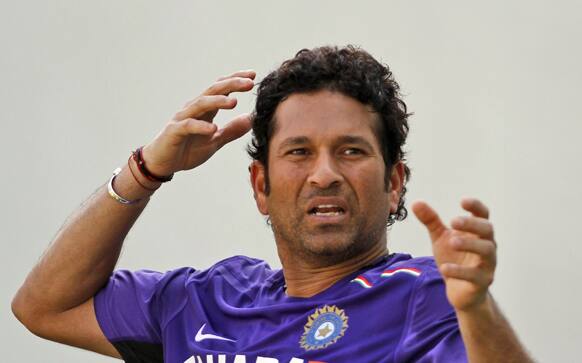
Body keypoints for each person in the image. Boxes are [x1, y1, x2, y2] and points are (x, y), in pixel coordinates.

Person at [12, 45, 533, 363]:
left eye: (351, 151)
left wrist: (477, 310)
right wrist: (147, 169)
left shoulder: (424, 297)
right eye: (299, 152)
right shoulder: (206, 299)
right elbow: (44, 307)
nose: (325, 174)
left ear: (394, 182)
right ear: (260, 186)